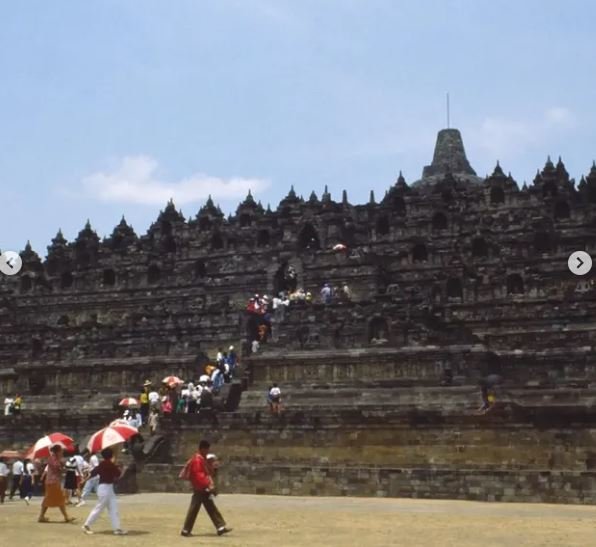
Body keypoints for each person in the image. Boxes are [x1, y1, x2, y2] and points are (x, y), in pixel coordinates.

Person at [180, 440, 232, 538]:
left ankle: (220, 527)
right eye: (207, 449)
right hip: (200, 488)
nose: (207, 451)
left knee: (209, 507)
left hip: (201, 487)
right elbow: (200, 475)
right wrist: (209, 485)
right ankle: (186, 530)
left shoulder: (200, 459)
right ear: (203, 449)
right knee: (196, 509)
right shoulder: (198, 460)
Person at [82, 447, 127, 535]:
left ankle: (117, 528)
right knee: (100, 508)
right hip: (106, 488)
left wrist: (84, 480)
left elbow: (93, 473)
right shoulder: (110, 464)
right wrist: (122, 468)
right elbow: (118, 475)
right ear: (111, 455)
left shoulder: (102, 464)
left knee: (113, 508)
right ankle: (86, 525)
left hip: (106, 488)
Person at [38, 444, 75, 523]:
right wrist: (62, 465)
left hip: (54, 481)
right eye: (61, 451)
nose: (62, 452)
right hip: (52, 481)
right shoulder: (52, 459)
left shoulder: (56, 458)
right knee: (57, 499)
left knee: (55, 499)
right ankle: (66, 517)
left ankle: (42, 516)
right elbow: (57, 469)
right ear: (57, 451)